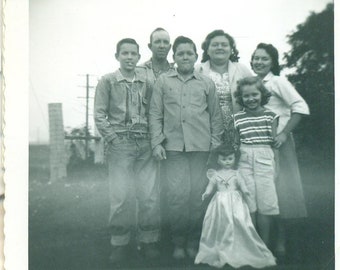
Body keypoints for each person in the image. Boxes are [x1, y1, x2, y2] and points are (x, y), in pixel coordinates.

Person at [149, 36, 224, 260]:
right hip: (173, 149)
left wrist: (215, 146)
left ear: (196, 57)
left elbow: (216, 117)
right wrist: (156, 143)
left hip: (200, 149)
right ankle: (178, 243)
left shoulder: (206, 83)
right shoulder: (163, 81)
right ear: (174, 57)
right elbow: (155, 114)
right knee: (177, 196)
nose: (184, 57)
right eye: (180, 53)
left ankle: (194, 240)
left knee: (197, 196)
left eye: (189, 53)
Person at [94, 38, 160, 263]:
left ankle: (148, 240)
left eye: (134, 53)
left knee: (148, 195)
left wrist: (154, 139)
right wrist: (112, 137)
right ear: (117, 56)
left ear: (139, 57)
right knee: (121, 196)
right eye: (125, 53)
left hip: (145, 144)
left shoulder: (147, 82)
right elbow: (99, 114)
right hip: (120, 144)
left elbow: (154, 112)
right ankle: (120, 243)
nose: (129, 57)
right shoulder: (108, 81)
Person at [250, 43, 310, 256]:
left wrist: (284, 134)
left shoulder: (278, 81)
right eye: (256, 58)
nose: (259, 62)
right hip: (257, 145)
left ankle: (281, 242)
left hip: (279, 145)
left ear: (273, 62)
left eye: (264, 58)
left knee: (282, 194)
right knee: (262, 196)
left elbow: (301, 107)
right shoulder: (251, 83)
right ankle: (262, 243)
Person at [195, 145, 276, 269]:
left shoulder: (236, 173)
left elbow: (242, 185)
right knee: (221, 224)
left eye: (230, 159)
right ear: (217, 160)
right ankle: (222, 247)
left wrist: (246, 191)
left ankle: (238, 247)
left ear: (234, 159)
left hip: (235, 201)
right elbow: (210, 186)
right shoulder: (215, 174)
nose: (227, 162)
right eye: (224, 159)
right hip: (220, 202)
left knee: (238, 222)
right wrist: (206, 193)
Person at [233, 76, 280, 247]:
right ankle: (250, 245)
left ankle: (264, 245)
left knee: (266, 205)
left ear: (262, 94)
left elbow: (275, 145)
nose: (251, 99)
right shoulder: (237, 118)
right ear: (240, 97)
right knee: (249, 202)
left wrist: (277, 167)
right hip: (244, 160)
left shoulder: (271, 116)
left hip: (265, 158)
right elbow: (236, 144)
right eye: (246, 96)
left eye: (255, 94)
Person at [196, 29, 252, 148]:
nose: (219, 47)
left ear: (231, 49)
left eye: (224, 45)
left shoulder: (242, 69)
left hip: (237, 127)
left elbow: (256, 94)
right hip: (206, 127)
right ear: (207, 49)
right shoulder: (197, 70)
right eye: (215, 45)